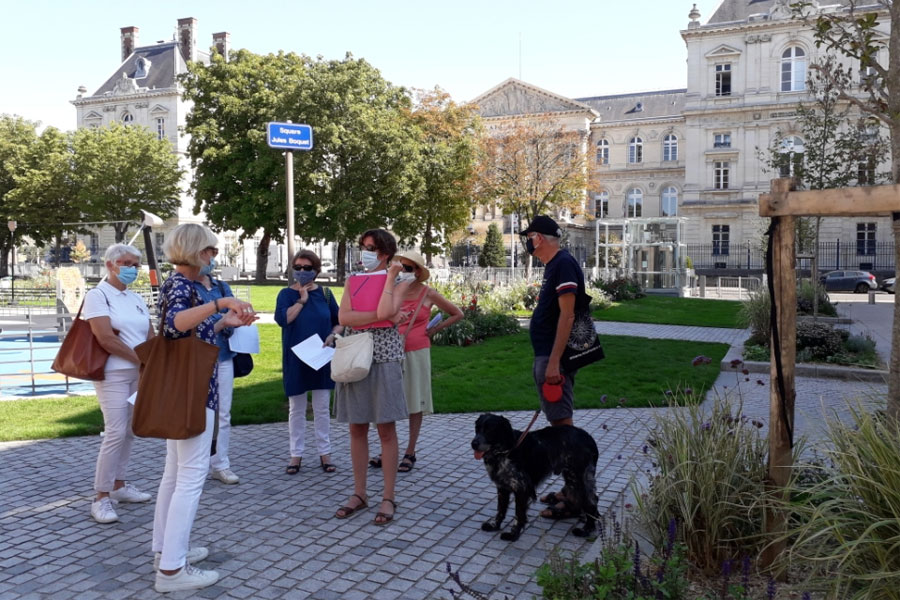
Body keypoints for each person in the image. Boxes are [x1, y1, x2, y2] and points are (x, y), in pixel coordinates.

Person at [152, 224, 256, 593]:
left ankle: (166, 550)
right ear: (197, 251)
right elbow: (174, 325)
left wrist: (222, 322)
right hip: (194, 389)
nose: (213, 257)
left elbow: (191, 331)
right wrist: (219, 304)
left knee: (174, 474)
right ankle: (171, 570)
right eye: (210, 251)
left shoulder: (176, 284)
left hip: (189, 385)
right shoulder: (181, 284)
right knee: (190, 477)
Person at [333, 229, 410, 525]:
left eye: (374, 249)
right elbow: (344, 318)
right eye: (364, 247)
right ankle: (360, 493)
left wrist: (389, 281)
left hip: (384, 357)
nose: (367, 254)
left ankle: (388, 496)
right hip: (355, 355)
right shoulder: (353, 279)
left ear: (387, 253)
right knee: (356, 428)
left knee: (386, 430)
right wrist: (380, 317)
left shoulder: (402, 279)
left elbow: (387, 309)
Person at [368, 250, 462, 473]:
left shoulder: (427, 293)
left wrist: (435, 329)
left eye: (408, 268)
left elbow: (457, 313)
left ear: (418, 272)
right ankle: (387, 449)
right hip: (389, 350)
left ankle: (410, 451)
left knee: (415, 401)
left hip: (417, 350)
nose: (403, 272)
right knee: (387, 401)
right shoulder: (390, 290)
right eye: (400, 266)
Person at [519, 215, 588, 517]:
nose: (527, 242)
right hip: (547, 355)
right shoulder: (554, 266)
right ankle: (570, 489)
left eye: (529, 236)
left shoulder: (562, 264)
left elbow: (568, 316)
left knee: (562, 429)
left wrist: (555, 363)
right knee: (559, 426)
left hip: (552, 358)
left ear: (540, 238)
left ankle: (576, 497)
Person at [84, 244, 154, 524]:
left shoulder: (136, 297)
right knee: (114, 431)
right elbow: (105, 338)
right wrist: (140, 360)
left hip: (138, 372)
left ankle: (119, 485)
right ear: (111, 265)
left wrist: (150, 360)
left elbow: (148, 332)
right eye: (126, 263)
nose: (132, 269)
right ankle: (101, 497)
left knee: (130, 430)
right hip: (113, 373)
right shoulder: (97, 295)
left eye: (136, 264)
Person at [275, 249, 342, 475]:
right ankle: (296, 455)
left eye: (307, 268)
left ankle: (325, 453)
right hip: (296, 358)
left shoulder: (326, 294)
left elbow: (339, 321)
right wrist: (302, 301)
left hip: (321, 357)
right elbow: (284, 319)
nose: (302, 272)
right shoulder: (285, 295)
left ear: (316, 270)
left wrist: (333, 335)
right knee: (297, 409)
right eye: (298, 268)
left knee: (322, 408)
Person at [192, 249, 241, 485]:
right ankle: (197, 464)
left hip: (223, 356)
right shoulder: (187, 287)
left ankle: (220, 463)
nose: (209, 259)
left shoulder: (221, 287)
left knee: (224, 412)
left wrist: (223, 324)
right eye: (205, 254)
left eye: (212, 254)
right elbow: (192, 322)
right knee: (200, 412)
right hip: (197, 359)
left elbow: (234, 316)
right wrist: (219, 321)